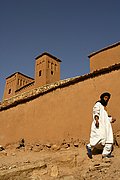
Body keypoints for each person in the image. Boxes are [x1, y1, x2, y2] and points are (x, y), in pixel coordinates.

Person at [86, 92, 116, 159]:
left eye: (107, 98)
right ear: (102, 98)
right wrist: (96, 120)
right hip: (100, 125)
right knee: (99, 138)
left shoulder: (104, 107)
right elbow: (96, 112)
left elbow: (105, 118)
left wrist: (111, 119)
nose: (106, 99)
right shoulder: (98, 104)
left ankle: (105, 154)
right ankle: (89, 146)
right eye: (105, 97)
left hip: (106, 127)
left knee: (109, 139)